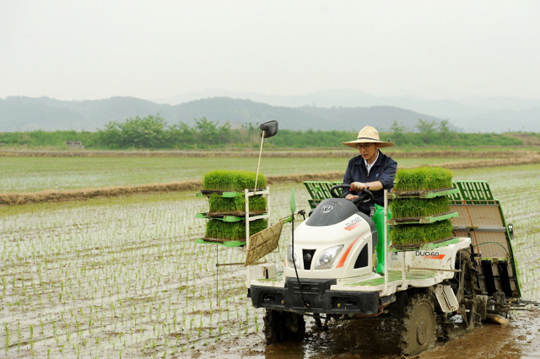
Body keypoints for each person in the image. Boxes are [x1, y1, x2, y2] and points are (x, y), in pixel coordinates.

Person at [341, 126, 397, 216]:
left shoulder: (389, 163)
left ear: (377, 145)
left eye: (366, 146)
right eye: (360, 146)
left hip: (379, 211)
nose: (363, 150)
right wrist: (351, 197)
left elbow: (383, 183)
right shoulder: (353, 163)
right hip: (357, 210)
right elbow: (345, 189)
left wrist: (364, 186)